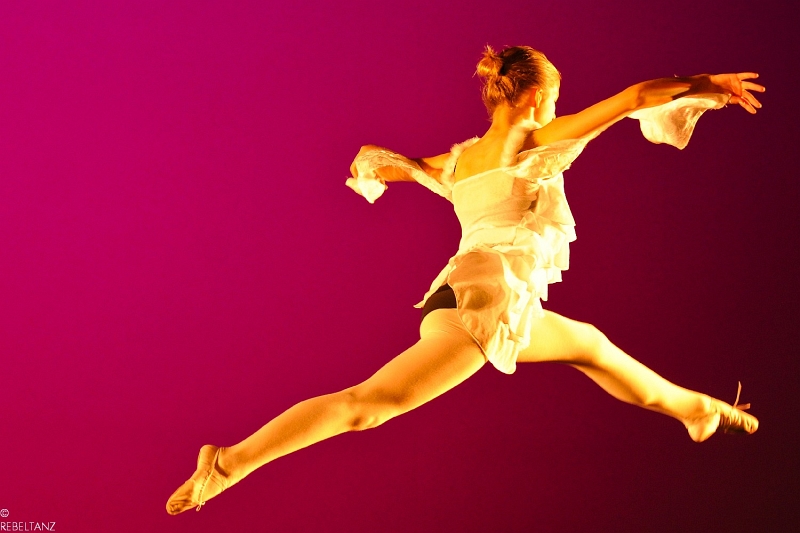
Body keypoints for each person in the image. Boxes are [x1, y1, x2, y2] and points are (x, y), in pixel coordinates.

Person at [166, 45, 764, 515]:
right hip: (487, 301)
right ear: (537, 98)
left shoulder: (460, 160)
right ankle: (229, 462)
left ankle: (699, 410)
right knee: (367, 406)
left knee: (592, 347)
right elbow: (634, 97)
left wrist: (377, 165)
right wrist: (708, 84)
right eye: (556, 100)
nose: (559, 111)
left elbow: (399, 168)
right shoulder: (535, 142)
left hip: (467, 296)